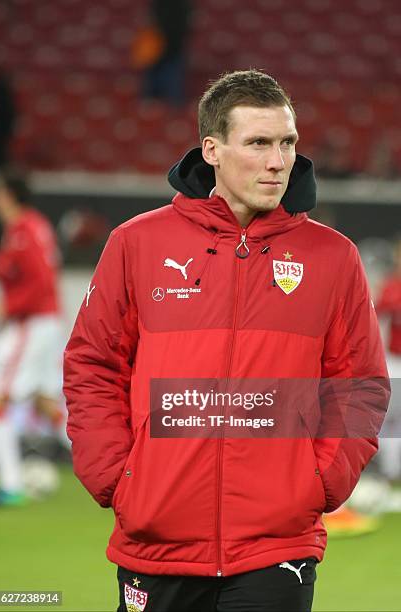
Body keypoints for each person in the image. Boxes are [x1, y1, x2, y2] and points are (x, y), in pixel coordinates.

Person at [64, 70, 390, 612]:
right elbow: (92, 366)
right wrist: (117, 478)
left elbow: (361, 385)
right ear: (211, 149)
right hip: (156, 540)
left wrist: (320, 483)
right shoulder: (136, 243)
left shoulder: (333, 257)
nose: (278, 161)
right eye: (259, 143)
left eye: (287, 143)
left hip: (277, 546)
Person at [0, 169, 64, 505]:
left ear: (9, 196)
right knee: (47, 401)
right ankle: (118, 466)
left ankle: (11, 483)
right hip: (44, 321)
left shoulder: (22, 229)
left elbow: (38, 281)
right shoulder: (34, 226)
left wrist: (7, 307)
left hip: (31, 323)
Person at [376, 235, 401, 482]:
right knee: (388, 418)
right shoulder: (391, 287)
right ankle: (390, 471)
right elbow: (373, 320)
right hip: (394, 359)